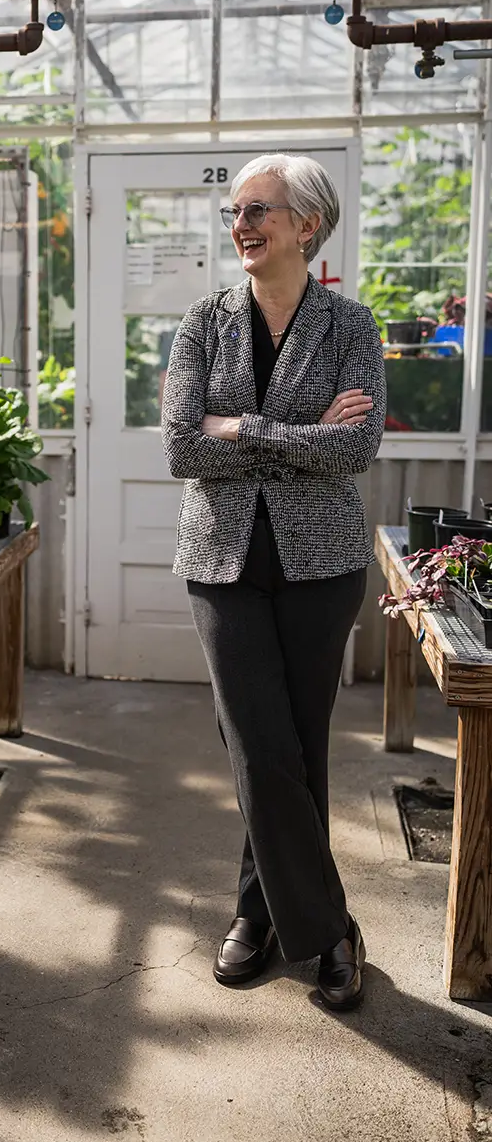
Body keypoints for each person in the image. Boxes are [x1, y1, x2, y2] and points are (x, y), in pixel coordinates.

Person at [161, 153, 385, 1011]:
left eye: (258, 210)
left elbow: (356, 449)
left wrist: (244, 428)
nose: (241, 226)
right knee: (258, 745)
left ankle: (256, 916)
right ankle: (330, 931)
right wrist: (298, 431)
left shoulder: (351, 325)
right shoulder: (203, 321)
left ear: (306, 226)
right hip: (222, 562)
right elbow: (183, 445)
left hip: (322, 566)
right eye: (235, 212)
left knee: (298, 751)